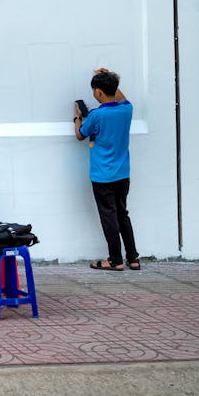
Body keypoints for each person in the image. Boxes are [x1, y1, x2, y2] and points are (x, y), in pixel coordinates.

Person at [74, 68, 140, 271]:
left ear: (99, 92)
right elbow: (122, 98)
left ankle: (115, 260)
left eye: (95, 90)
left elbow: (80, 135)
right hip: (122, 174)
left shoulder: (96, 115)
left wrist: (77, 117)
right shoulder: (126, 109)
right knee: (122, 214)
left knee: (108, 216)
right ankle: (133, 258)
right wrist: (110, 77)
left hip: (102, 175)